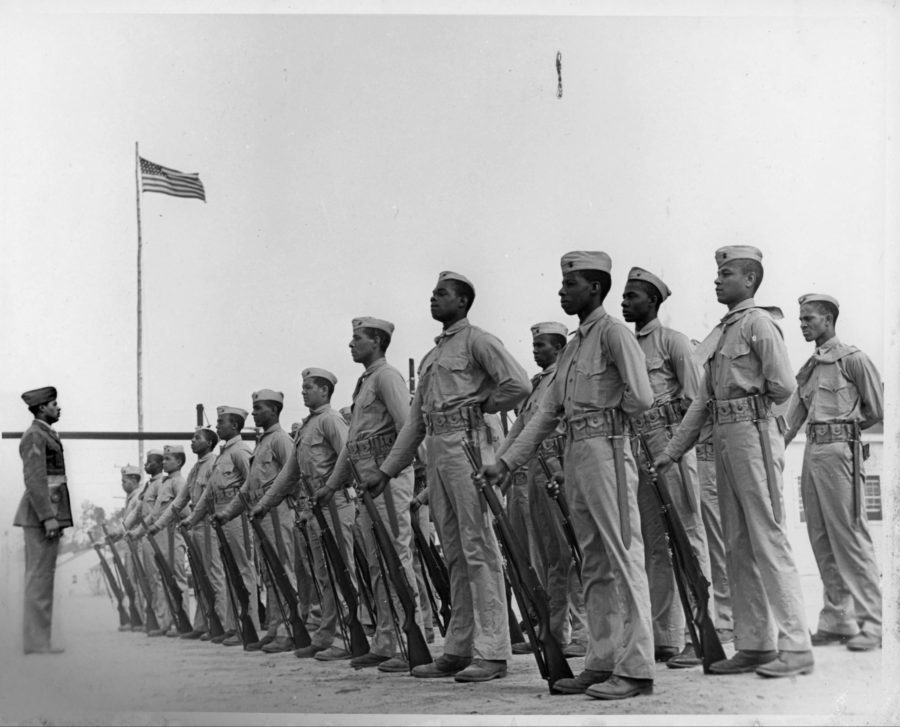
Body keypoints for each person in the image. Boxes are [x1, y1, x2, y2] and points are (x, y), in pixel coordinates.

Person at [483, 252, 656, 700]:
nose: (562, 290)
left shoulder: (614, 334)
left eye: (571, 283)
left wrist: (608, 423)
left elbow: (641, 396)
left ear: (596, 288)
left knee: (623, 556)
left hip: (608, 452)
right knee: (594, 562)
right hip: (578, 452)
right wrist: (505, 461)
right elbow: (545, 414)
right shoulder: (576, 345)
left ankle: (636, 669)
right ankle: (600, 661)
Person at [360, 270, 531, 683]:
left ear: (463, 302)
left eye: (442, 294)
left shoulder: (479, 341)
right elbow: (414, 423)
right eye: (433, 293)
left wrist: (483, 403)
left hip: (468, 446)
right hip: (439, 449)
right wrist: (386, 471)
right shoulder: (435, 356)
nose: (433, 299)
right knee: (453, 550)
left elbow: (519, 384)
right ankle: (458, 647)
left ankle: (492, 652)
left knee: (478, 547)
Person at [655, 245, 814, 678]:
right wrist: (670, 454)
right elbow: (702, 403)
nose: (717, 279)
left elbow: (785, 386)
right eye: (717, 273)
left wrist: (757, 420)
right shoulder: (724, 332)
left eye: (726, 273)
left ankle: (797, 646)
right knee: (736, 543)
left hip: (753, 435)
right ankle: (755, 644)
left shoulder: (759, 323)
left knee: (767, 536)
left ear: (749, 280)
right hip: (725, 436)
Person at [314, 317, 425, 674]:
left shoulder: (387, 377)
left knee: (397, 557)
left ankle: (414, 641)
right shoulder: (365, 383)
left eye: (357, 338)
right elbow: (353, 444)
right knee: (377, 564)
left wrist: (388, 470)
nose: (351, 344)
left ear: (376, 341)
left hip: (387, 479)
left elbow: (408, 426)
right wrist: (332, 484)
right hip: (367, 481)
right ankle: (387, 642)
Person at [620, 266, 713, 668]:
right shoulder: (623, 344)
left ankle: (704, 630)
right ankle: (668, 635)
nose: (624, 303)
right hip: (636, 445)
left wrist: (676, 448)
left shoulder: (673, 343)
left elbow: (697, 401)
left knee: (688, 535)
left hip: (671, 442)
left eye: (632, 296)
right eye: (623, 297)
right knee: (654, 546)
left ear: (652, 301)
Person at [783, 293, 884, 651]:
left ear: (827, 319)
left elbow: (877, 408)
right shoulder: (810, 367)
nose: (803, 324)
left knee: (850, 536)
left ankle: (876, 622)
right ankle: (836, 620)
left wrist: (846, 431)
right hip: (813, 451)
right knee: (821, 537)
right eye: (800, 319)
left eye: (808, 318)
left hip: (841, 451)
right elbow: (790, 422)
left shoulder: (852, 359)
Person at [495, 321, 588, 659]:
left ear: (560, 348)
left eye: (542, 346)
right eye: (534, 345)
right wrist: (501, 465)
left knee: (570, 553)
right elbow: (519, 433)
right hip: (535, 469)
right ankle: (556, 629)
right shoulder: (537, 388)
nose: (536, 351)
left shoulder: (563, 381)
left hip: (558, 469)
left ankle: (584, 631)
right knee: (549, 557)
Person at [252, 369, 357, 663]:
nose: (303, 392)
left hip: (334, 502)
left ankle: (346, 637)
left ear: (324, 391)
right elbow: (290, 473)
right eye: (302, 388)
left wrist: (333, 486)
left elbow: (349, 454)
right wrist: (266, 503)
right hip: (315, 506)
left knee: (340, 571)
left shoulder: (331, 420)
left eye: (308, 388)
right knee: (322, 574)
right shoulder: (308, 428)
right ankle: (327, 634)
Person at [217, 390, 297, 653]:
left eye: (259, 408)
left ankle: (288, 631)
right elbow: (248, 487)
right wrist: (228, 512)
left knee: (283, 569)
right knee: (271, 574)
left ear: (274, 410)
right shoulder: (263, 442)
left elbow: (293, 475)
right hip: (261, 513)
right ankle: (275, 628)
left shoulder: (281, 440)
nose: (254, 413)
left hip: (277, 511)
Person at [186, 406, 254, 646]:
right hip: (222, 515)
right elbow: (210, 492)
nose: (217, 426)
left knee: (244, 572)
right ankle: (235, 626)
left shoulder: (240, 452)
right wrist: (192, 518)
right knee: (232, 573)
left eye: (221, 422)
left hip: (237, 515)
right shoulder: (225, 454)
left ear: (234, 426)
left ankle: (250, 627)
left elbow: (251, 483)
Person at [152, 426, 225, 640]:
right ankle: (203, 624)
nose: (193, 441)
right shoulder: (195, 469)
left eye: (197, 438)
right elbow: (179, 502)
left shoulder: (213, 463)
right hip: (195, 527)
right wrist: (158, 525)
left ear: (209, 443)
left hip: (208, 525)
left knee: (214, 576)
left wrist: (190, 519)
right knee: (201, 578)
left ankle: (222, 623)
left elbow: (207, 498)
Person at [15, 386, 71, 655]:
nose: (58, 408)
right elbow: (35, 478)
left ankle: (39, 641)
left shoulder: (44, 433)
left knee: (43, 577)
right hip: (41, 515)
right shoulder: (35, 435)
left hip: (49, 513)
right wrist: (48, 517)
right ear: (41, 408)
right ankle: (36, 642)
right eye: (53, 404)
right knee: (38, 577)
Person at [147, 444, 190, 637]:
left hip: (173, 536)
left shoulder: (178, 482)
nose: (164, 462)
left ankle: (183, 623)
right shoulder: (165, 483)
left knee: (177, 579)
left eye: (168, 459)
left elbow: (185, 509)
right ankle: (167, 622)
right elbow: (155, 513)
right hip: (161, 536)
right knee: (164, 579)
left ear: (179, 461)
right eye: (163, 459)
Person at [127, 449, 168, 636]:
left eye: (150, 462)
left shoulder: (162, 484)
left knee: (160, 579)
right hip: (146, 535)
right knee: (150, 580)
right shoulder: (147, 487)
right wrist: (122, 530)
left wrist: (138, 531)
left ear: (159, 464)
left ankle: (164, 621)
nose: (146, 465)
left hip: (157, 534)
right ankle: (157, 621)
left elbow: (154, 514)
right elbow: (137, 513)